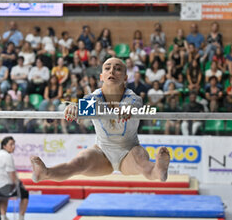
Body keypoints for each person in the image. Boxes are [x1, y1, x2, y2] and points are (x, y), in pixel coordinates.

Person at [30, 58, 170, 183]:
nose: (112, 71)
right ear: (102, 76)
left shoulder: (133, 98)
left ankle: (158, 170)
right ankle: (46, 173)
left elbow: (135, 104)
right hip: (102, 153)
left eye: (118, 68)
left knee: (141, 160)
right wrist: (73, 107)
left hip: (129, 151)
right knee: (77, 163)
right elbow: (81, 107)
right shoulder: (95, 98)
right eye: (108, 68)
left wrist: (128, 109)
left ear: (126, 77)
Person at [0, 136, 29, 220]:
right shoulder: (7, 156)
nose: (13, 146)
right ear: (4, 146)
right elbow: (13, 176)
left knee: (5, 192)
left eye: (14, 144)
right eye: (11, 144)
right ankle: (21, 218)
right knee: (25, 193)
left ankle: (3, 217)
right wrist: (20, 185)